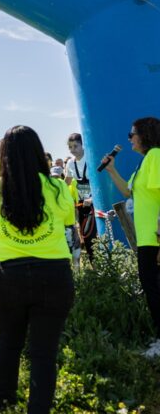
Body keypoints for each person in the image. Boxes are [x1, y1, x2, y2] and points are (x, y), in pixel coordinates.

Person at [0, 125, 78, 413]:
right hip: (55, 275)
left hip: (11, 277)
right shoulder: (57, 187)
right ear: (38, 152)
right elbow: (68, 219)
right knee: (44, 354)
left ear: (3, 156)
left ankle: (5, 403)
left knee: (9, 344)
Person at [102, 116, 160, 357]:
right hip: (147, 238)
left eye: (132, 133)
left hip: (155, 238)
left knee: (155, 289)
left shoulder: (156, 155)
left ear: (144, 135)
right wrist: (111, 170)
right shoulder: (146, 161)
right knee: (152, 288)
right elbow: (128, 191)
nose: (129, 138)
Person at [65, 133, 96, 262]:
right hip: (82, 204)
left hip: (95, 203)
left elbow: (100, 181)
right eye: (70, 147)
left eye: (75, 146)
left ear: (83, 145)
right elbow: (66, 183)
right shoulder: (70, 164)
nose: (73, 150)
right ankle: (94, 267)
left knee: (95, 235)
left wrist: (93, 198)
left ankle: (100, 264)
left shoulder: (91, 158)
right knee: (86, 237)